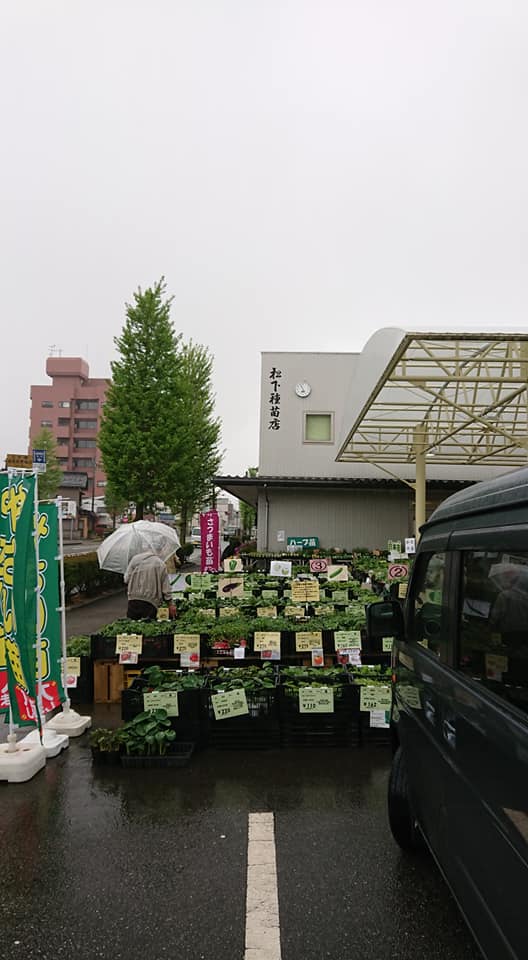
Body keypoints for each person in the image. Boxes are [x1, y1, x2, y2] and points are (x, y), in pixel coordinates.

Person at [124, 550, 173, 620]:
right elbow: (166, 588)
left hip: (133, 600)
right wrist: (170, 604)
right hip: (151, 602)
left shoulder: (135, 559)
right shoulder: (160, 563)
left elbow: (126, 579)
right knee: (148, 627)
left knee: (132, 626)